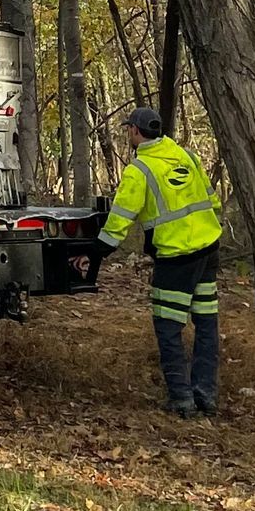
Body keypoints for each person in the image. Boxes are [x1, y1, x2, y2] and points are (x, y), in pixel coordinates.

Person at [97, 106, 223, 418]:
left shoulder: (139, 171)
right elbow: (214, 201)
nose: (128, 133)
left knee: (169, 327)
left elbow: (120, 218)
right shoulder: (187, 156)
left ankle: (181, 398)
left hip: (177, 259)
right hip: (208, 251)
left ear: (135, 132)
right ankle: (205, 395)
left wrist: (97, 251)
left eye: (129, 129)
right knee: (206, 324)